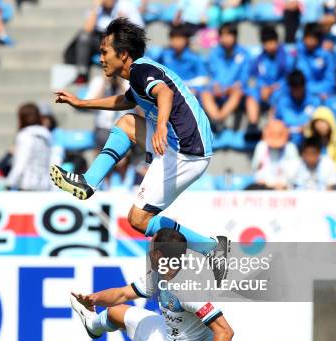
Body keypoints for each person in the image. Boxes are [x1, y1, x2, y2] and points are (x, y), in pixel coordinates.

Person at [51, 18, 229, 278]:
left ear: (123, 54)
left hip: (187, 151)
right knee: (126, 123)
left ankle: (212, 247)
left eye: (104, 52)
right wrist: (82, 103)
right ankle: (88, 181)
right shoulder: (138, 75)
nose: (100, 58)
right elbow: (126, 101)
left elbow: (165, 93)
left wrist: (160, 128)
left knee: (138, 220)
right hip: (179, 142)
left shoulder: (140, 71)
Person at [39, 228, 234, 341]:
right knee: (115, 311)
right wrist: (94, 298)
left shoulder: (189, 289)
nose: (148, 251)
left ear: (158, 254)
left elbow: (225, 331)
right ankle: (92, 324)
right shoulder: (161, 272)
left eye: (150, 247)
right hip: (166, 338)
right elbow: (123, 294)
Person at [67, 0, 144, 84]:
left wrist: (123, 23)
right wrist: (96, 7)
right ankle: (82, 74)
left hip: (121, 41)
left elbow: (139, 30)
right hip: (102, 40)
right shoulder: (96, 9)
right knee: (84, 37)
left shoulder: (126, 5)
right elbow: (87, 30)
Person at [201, 22, 249, 125]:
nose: (226, 38)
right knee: (205, 94)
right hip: (217, 89)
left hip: (234, 90)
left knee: (237, 93)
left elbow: (244, 77)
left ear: (235, 36)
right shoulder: (213, 53)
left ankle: (219, 118)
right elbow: (209, 75)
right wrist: (214, 85)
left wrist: (234, 86)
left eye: (229, 35)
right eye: (223, 35)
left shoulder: (244, 53)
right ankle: (216, 117)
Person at [246, 25, 293, 130]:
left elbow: (289, 78)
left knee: (279, 99)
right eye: (266, 43)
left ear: (277, 41)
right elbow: (253, 77)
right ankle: (253, 126)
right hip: (263, 90)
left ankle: (272, 128)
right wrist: (262, 86)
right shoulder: (259, 59)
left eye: (272, 42)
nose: (270, 46)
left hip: (279, 90)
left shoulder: (286, 57)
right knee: (251, 96)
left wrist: (273, 88)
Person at [6, 103, 53, 191]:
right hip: (45, 185)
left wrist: (9, 183)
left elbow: (21, 162)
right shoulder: (47, 135)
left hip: (27, 185)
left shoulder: (25, 136)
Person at [155, 25, 208, 96]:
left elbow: (203, 78)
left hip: (189, 91)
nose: (176, 42)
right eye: (173, 38)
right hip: (168, 90)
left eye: (179, 38)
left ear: (186, 40)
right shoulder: (164, 54)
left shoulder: (195, 57)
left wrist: (196, 89)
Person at [273, 69, 321, 142]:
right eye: (294, 88)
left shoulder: (315, 102)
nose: (297, 92)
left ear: (304, 86)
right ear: (290, 88)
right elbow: (277, 124)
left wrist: (308, 128)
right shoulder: (282, 103)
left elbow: (320, 124)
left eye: (299, 88)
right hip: (287, 142)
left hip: (310, 142)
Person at [251, 119, 300, 190]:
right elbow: (255, 168)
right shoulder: (261, 146)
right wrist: (266, 183)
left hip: (285, 187)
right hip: (264, 187)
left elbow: (295, 171)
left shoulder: (290, 147)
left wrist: (284, 183)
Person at [303, 106, 336, 177]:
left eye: (323, 122)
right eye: (317, 123)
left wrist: (325, 176)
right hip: (314, 177)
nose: (321, 125)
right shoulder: (311, 142)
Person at [295, 22, 336, 100]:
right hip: (303, 95)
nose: (309, 41)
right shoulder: (298, 54)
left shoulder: (326, 55)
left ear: (318, 39)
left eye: (313, 38)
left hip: (324, 94)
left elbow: (330, 79)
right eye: (307, 38)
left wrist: (323, 92)